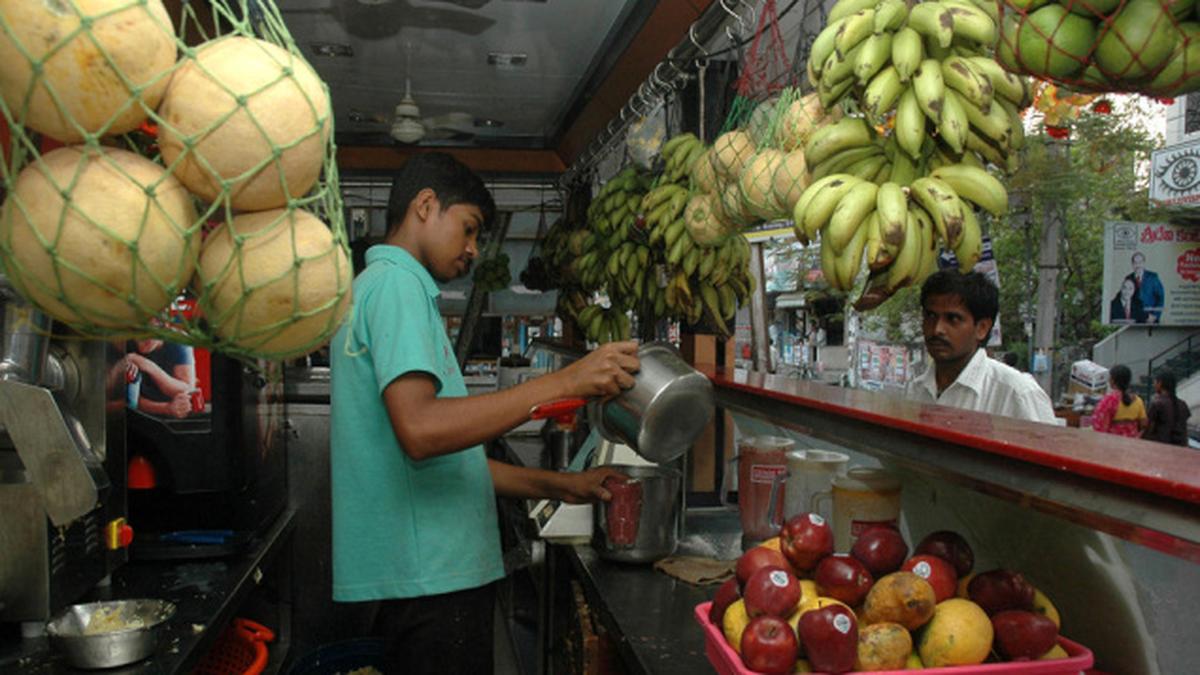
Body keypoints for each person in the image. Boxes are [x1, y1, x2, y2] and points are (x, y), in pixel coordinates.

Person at [329, 153, 639, 675]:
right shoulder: (398, 287)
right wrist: (565, 381)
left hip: (422, 574)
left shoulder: (377, 287)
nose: (473, 250)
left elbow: (444, 462)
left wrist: (561, 486)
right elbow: (423, 432)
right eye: (469, 229)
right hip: (432, 577)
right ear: (426, 206)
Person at [907, 270, 1058, 424]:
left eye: (952, 319)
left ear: (982, 328)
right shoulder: (916, 390)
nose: (937, 329)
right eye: (931, 316)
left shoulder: (1017, 393)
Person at [124, 338, 197, 419]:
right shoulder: (124, 341)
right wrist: (166, 408)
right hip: (136, 417)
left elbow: (188, 391)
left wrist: (148, 365)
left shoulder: (178, 341)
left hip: (173, 418)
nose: (140, 342)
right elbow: (127, 402)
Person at [1091, 365, 1147, 438]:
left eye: (1110, 377)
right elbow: (1143, 424)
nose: (1108, 380)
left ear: (1113, 380)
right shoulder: (1138, 400)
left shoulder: (1109, 400)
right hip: (1132, 443)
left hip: (1113, 443)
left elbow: (1099, 424)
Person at [1144, 371, 1192, 446]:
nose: (1154, 385)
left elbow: (1147, 429)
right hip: (1180, 449)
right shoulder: (1183, 405)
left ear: (1160, 383)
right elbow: (1184, 430)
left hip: (1160, 448)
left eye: (1155, 382)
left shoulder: (1157, 404)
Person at [1124, 251, 1164, 323]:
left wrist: (1155, 315)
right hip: (1135, 319)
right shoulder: (1128, 278)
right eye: (1135, 263)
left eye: (1140, 262)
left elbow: (1161, 298)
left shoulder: (1153, 277)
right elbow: (1125, 298)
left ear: (1144, 263)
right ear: (1132, 264)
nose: (1138, 265)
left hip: (1152, 319)